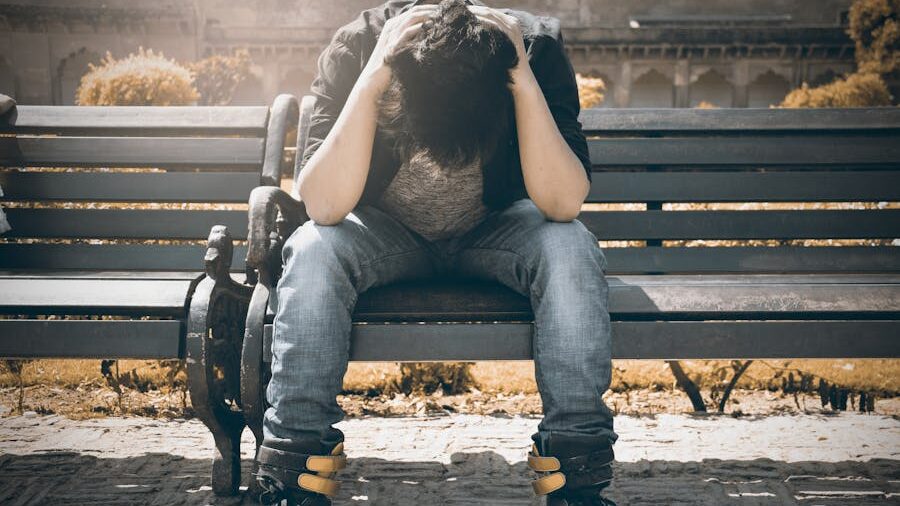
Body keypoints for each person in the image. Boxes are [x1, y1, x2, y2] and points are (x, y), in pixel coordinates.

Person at [254, 1, 617, 504]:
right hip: (384, 233)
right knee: (313, 248)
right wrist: (376, 73)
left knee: (570, 246)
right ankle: (292, 471)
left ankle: (578, 475)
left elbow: (561, 202)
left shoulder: (533, 48)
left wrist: (523, 80)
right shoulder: (358, 45)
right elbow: (323, 204)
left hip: (495, 230)